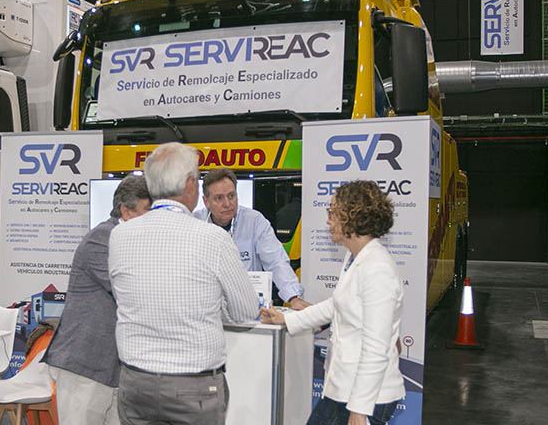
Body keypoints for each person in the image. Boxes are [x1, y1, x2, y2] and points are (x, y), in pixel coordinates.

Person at [108, 143, 258, 425]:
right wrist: (213, 306)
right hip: (194, 387)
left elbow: (126, 298)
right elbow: (246, 311)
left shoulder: (119, 236)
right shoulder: (213, 238)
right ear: (190, 184)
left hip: (135, 383)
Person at [261, 180, 404, 425]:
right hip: (344, 388)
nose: (328, 220)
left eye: (332, 212)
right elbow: (336, 304)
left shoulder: (377, 269)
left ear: (353, 217)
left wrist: (359, 410)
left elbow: (376, 346)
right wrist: (287, 318)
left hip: (367, 398)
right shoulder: (355, 257)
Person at [46, 175, 151, 425]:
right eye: (148, 211)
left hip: (115, 368)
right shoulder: (102, 239)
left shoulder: (134, 242)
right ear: (126, 211)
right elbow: (129, 292)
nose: (153, 219)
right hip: (86, 365)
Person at [194, 168, 309, 310]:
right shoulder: (194, 222)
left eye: (231, 196)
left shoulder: (254, 221)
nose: (227, 204)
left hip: (247, 306)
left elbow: (276, 261)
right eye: (219, 198)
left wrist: (293, 297)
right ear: (206, 201)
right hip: (207, 305)